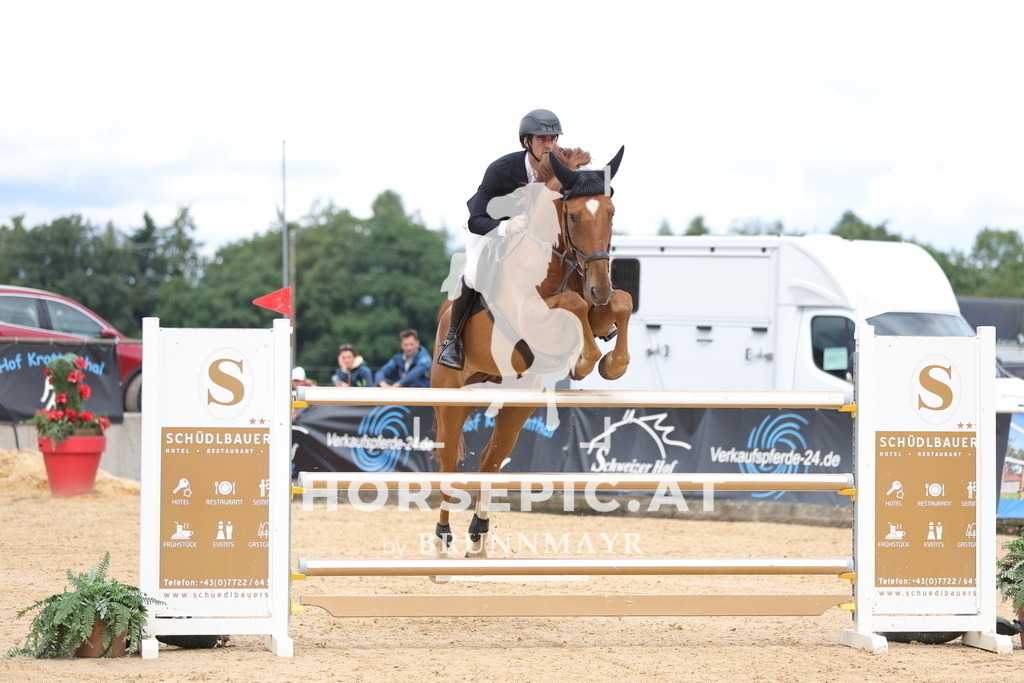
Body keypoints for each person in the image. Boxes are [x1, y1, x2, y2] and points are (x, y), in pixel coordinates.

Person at [436, 108, 563, 371]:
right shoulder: (501, 169)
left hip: (535, 237)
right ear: (526, 142)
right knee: (471, 273)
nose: (549, 145)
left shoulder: (560, 170)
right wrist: (505, 228)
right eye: (542, 139)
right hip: (490, 230)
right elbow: (476, 220)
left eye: (553, 139)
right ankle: (451, 341)